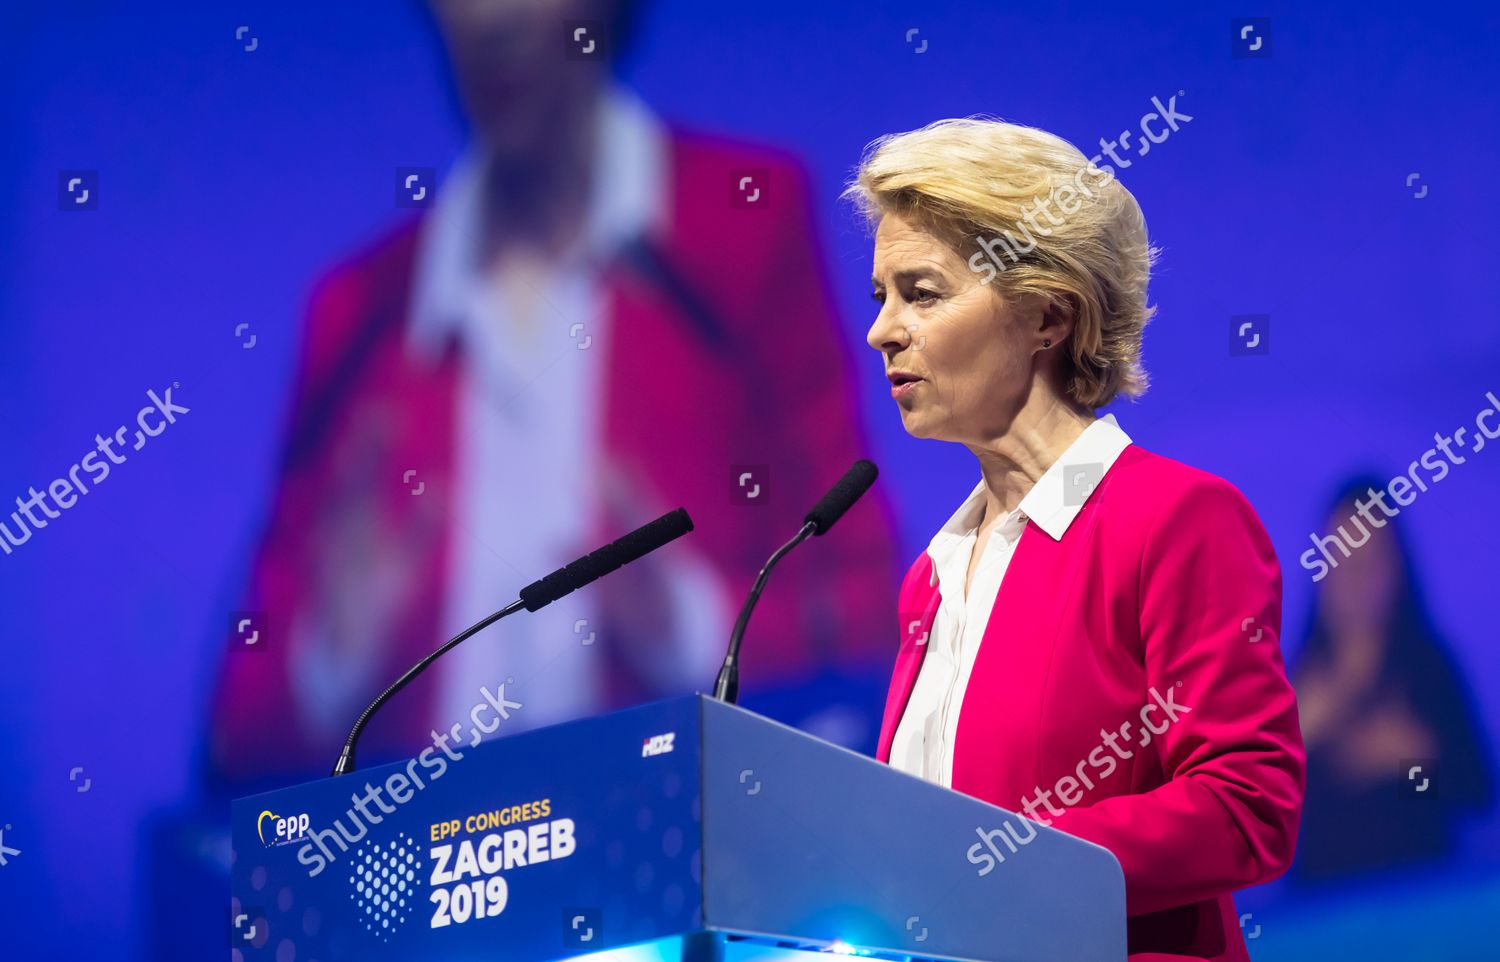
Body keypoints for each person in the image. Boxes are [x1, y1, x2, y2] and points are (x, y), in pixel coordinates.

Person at [204, 0, 896, 788]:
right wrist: (329, 655)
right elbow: (235, 745)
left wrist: (686, 626)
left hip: (676, 858)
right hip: (432, 873)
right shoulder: (359, 313)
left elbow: (865, 624)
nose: (488, 21)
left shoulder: (744, 228)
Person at [846, 118, 1304, 962]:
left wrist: (1001, 863)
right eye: (881, 297)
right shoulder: (931, 577)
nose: (883, 330)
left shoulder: (1174, 519)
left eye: (922, 291)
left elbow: (1249, 806)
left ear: (1048, 314)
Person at [1292, 475, 1494, 881]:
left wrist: (1409, 765)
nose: (1356, 578)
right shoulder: (1297, 681)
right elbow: (1266, 818)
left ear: (1398, 567)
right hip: (1320, 917)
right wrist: (1295, 741)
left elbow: (1474, 794)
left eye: (1372, 559)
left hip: (1420, 908)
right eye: (1344, 557)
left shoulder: (1428, 670)